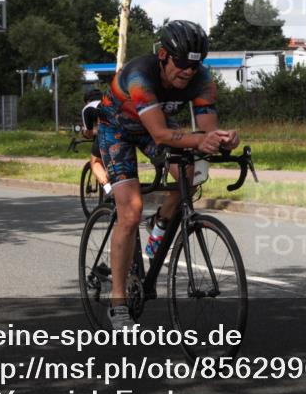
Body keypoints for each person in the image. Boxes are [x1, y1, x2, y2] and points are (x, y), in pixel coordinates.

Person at [97, 20, 238, 330]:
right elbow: (161, 134)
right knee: (131, 212)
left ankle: (161, 223)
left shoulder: (202, 80)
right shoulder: (140, 76)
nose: (188, 71)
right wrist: (201, 139)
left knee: (192, 172)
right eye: (182, 64)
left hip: (152, 128)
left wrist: (222, 139)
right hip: (117, 130)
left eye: (195, 65)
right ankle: (118, 303)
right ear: (163, 55)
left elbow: (207, 131)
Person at [81, 88, 110, 189]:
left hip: (106, 133)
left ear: (87, 101)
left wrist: (84, 133)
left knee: (95, 162)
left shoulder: (88, 108)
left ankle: (109, 190)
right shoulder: (107, 102)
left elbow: (88, 133)